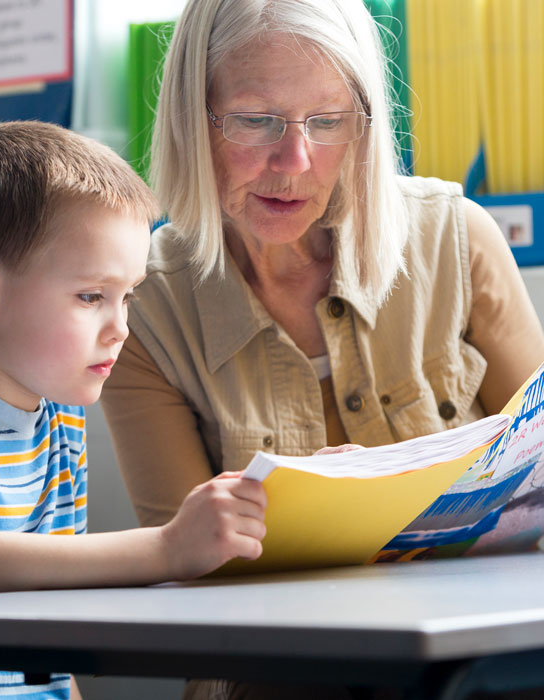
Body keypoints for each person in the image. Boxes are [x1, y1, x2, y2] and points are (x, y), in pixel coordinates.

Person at [100, 0, 544, 698]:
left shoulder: (456, 240)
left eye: (328, 122)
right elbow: (190, 574)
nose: (295, 160)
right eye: (256, 120)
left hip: (476, 672)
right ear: (194, 117)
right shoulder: (143, 304)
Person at [0, 120, 267, 700]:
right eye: (92, 296)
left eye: (129, 296)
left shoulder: (59, 417)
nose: (120, 328)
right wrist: (166, 548)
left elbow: (49, 613)